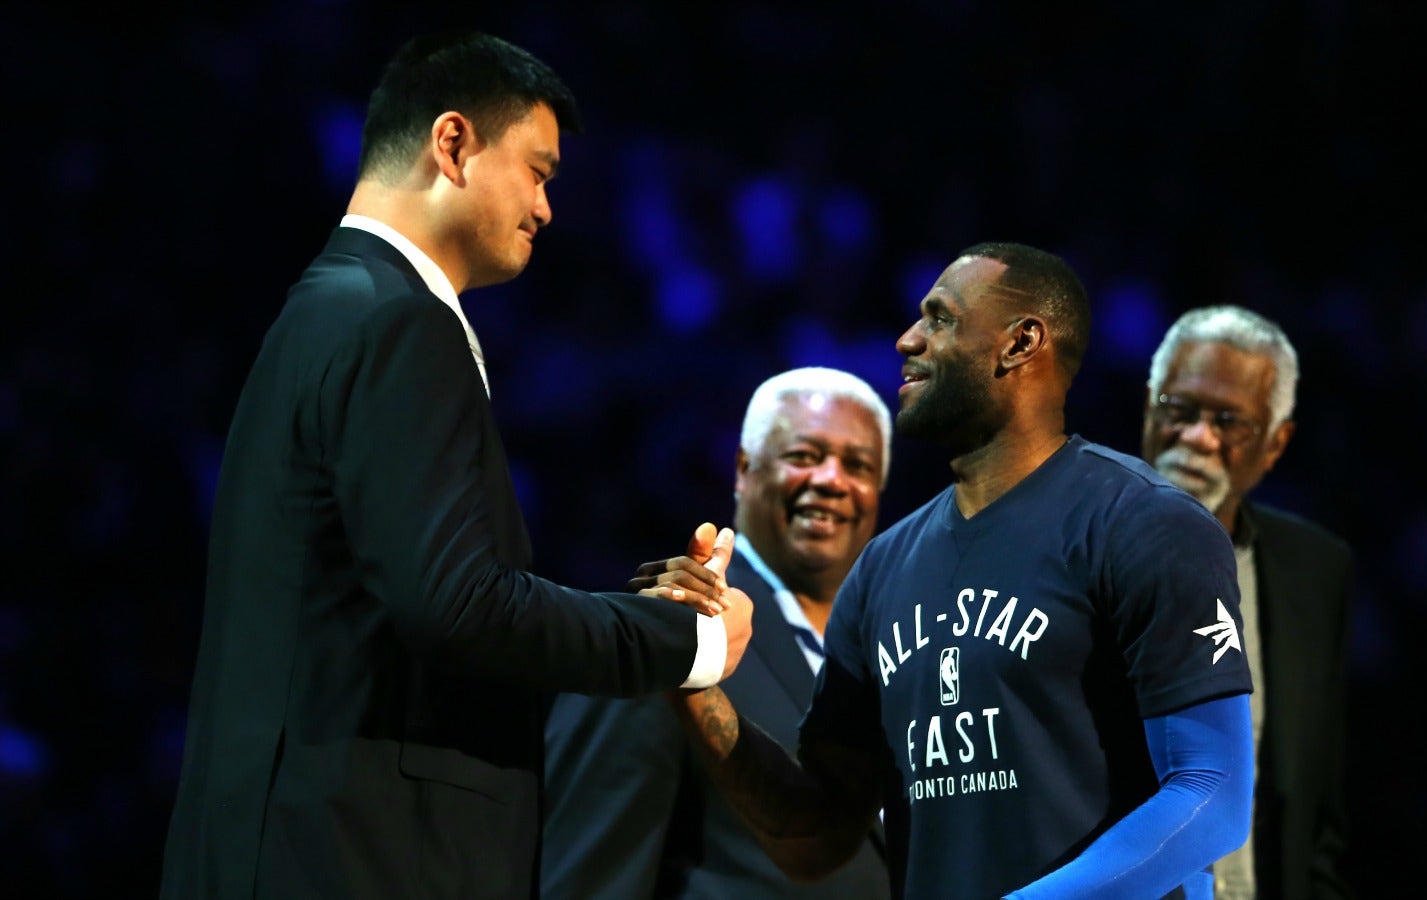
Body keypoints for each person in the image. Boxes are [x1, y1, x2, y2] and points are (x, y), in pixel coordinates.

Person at [158, 31, 752, 900]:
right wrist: (684, 640)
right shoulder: (399, 321)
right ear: (452, 144)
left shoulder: (326, 305)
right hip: (358, 859)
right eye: (539, 173)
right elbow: (458, 603)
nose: (548, 209)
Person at [662, 242, 1257, 899]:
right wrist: (691, 680)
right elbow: (818, 833)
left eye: (939, 319)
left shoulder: (1144, 524)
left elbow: (1214, 796)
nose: (907, 339)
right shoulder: (883, 567)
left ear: (1019, 343)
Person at [542, 366, 895, 899]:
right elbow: (589, 874)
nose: (831, 479)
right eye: (804, 456)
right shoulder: (667, 629)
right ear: (743, 470)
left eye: (857, 464)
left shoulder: (895, 647)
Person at [1141, 305, 1353, 900]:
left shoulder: (1314, 572)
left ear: (1275, 443)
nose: (1196, 438)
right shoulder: (1063, 549)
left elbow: (1321, 810)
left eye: (1227, 421)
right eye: (1178, 411)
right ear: (1147, 404)